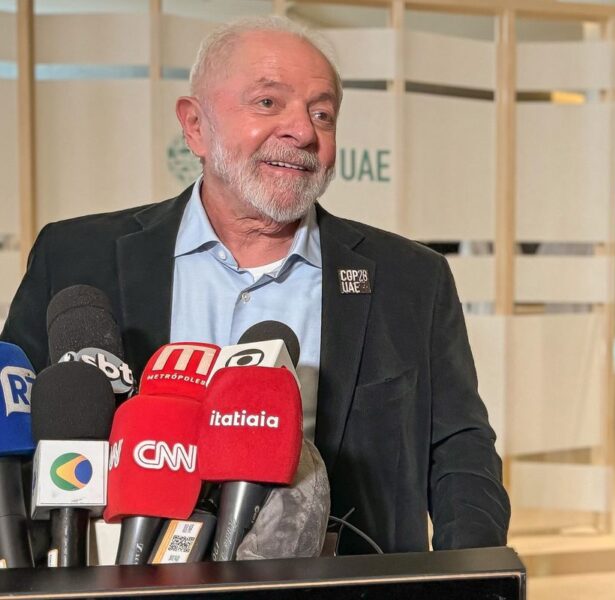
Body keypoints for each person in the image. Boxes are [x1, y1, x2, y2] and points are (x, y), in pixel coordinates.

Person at [0, 16, 510, 555]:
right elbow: (15, 437)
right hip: (124, 580)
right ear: (195, 126)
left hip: (347, 583)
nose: (303, 131)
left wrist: (473, 575)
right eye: (268, 102)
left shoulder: (410, 279)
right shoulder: (75, 257)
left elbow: (459, 450)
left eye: (322, 113)